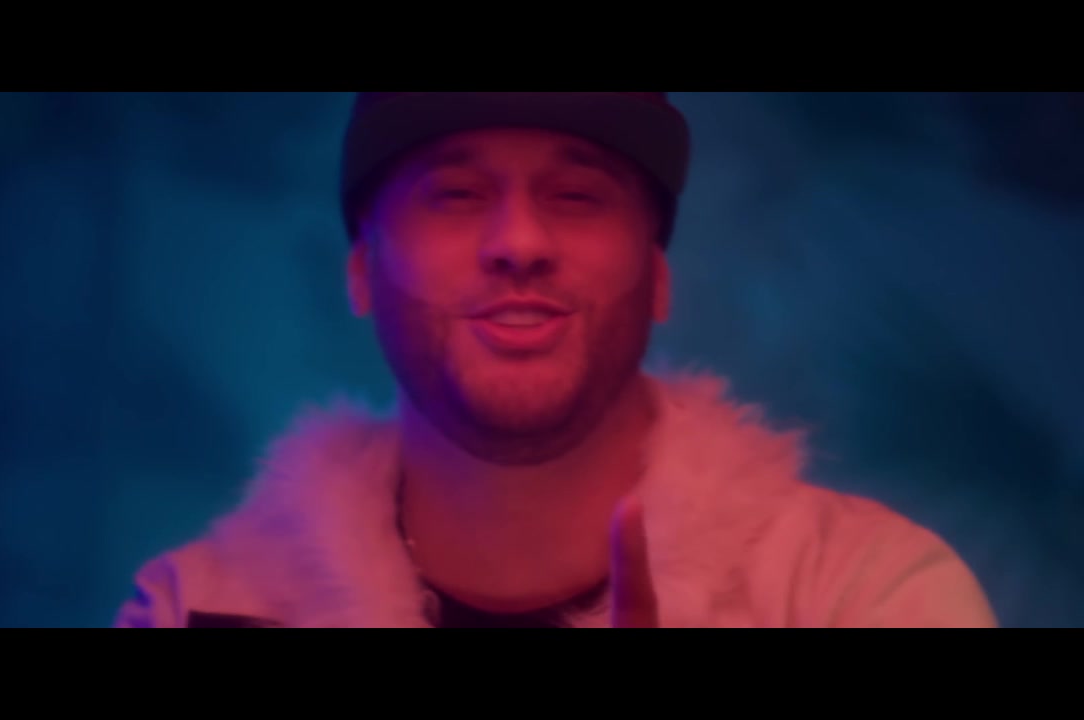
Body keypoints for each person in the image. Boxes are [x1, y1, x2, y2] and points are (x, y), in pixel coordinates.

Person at [114, 92, 998, 628]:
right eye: (456, 194)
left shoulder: (863, 596)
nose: (520, 241)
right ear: (359, 269)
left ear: (658, 274)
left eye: (577, 196)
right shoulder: (203, 607)